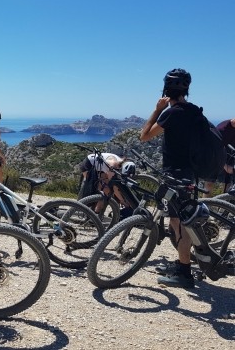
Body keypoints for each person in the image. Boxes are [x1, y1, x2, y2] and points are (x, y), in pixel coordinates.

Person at [140, 68, 198, 288]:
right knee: (178, 221)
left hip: (175, 175)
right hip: (191, 173)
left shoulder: (171, 113)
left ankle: (185, 273)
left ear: (166, 89)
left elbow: (144, 136)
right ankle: (183, 262)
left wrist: (157, 110)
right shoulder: (194, 111)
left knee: (181, 224)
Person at [78, 152, 133, 217]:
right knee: (101, 189)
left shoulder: (120, 163)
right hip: (89, 164)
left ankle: (96, 212)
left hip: (101, 166)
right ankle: (91, 209)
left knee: (106, 190)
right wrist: (123, 201)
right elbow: (114, 187)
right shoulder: (113, 165)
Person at [203, 118, 235, 196]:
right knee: (209, 184)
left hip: (229, 155)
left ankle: (224, 206)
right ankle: (205, 204)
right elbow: (213, 149)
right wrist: (225, 165)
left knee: (228, 185)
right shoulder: (222, 129)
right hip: (214, 157)